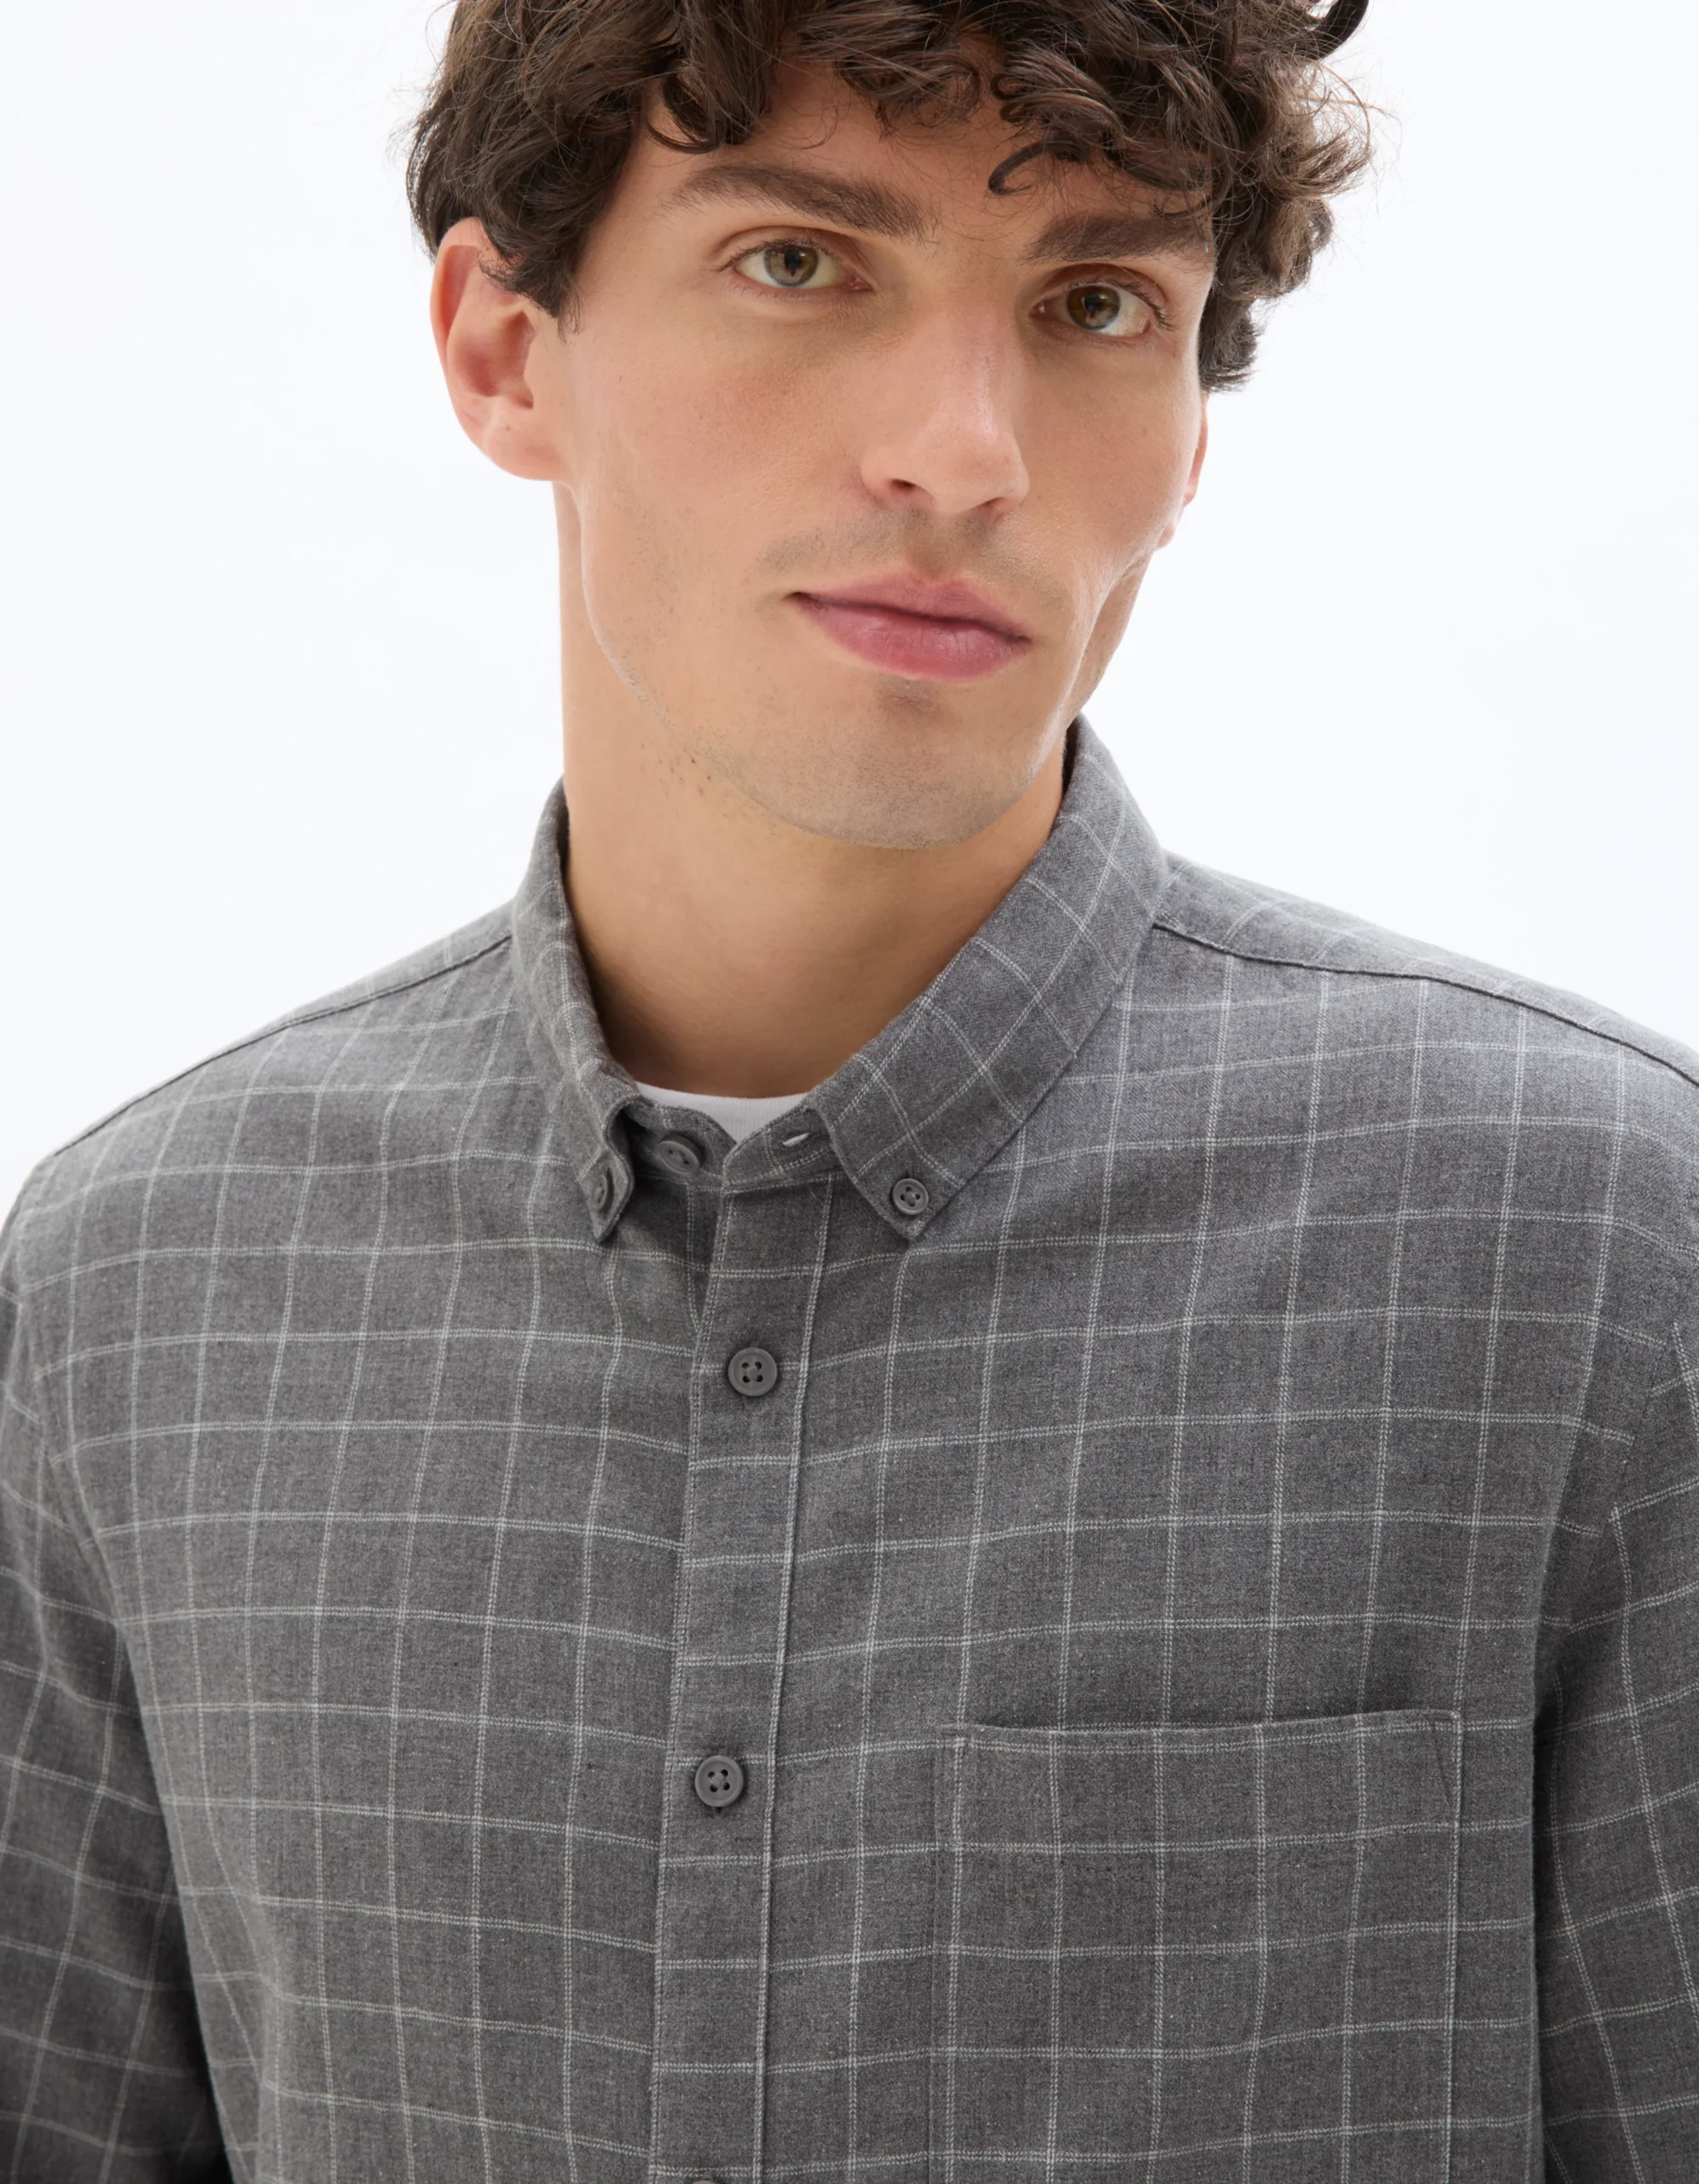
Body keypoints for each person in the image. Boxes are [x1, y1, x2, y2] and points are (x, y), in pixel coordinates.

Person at [3, 0, 1695, 2175]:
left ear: (1192, 429)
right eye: (799, 260)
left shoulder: (1592, 1262)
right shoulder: (134, 1299)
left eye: (1096, 302)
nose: (963, 450)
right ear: (506, 350)